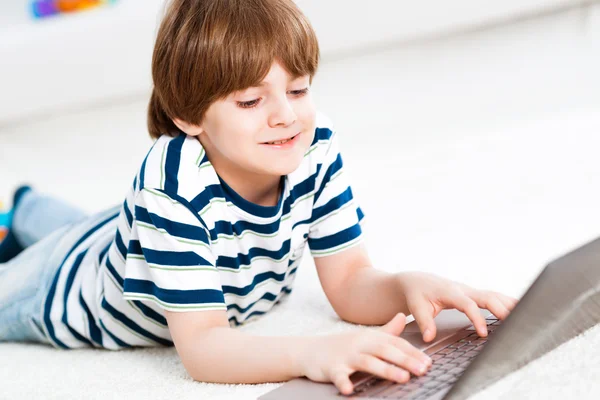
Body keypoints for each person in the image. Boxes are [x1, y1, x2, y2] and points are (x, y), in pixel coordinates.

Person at [0, 0, 518, 395]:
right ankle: (16, 223)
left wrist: (410, 285)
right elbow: (203, 347)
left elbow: (350, 281)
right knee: (39, 262)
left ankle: (24, 206)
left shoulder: (311, 145)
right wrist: (313, 352)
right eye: (250, 99)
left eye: (297, 90)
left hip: (126, 231)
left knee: (91, 223)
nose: (285, 116)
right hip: (65, 284)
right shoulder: (169, 190)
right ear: (188, 116)